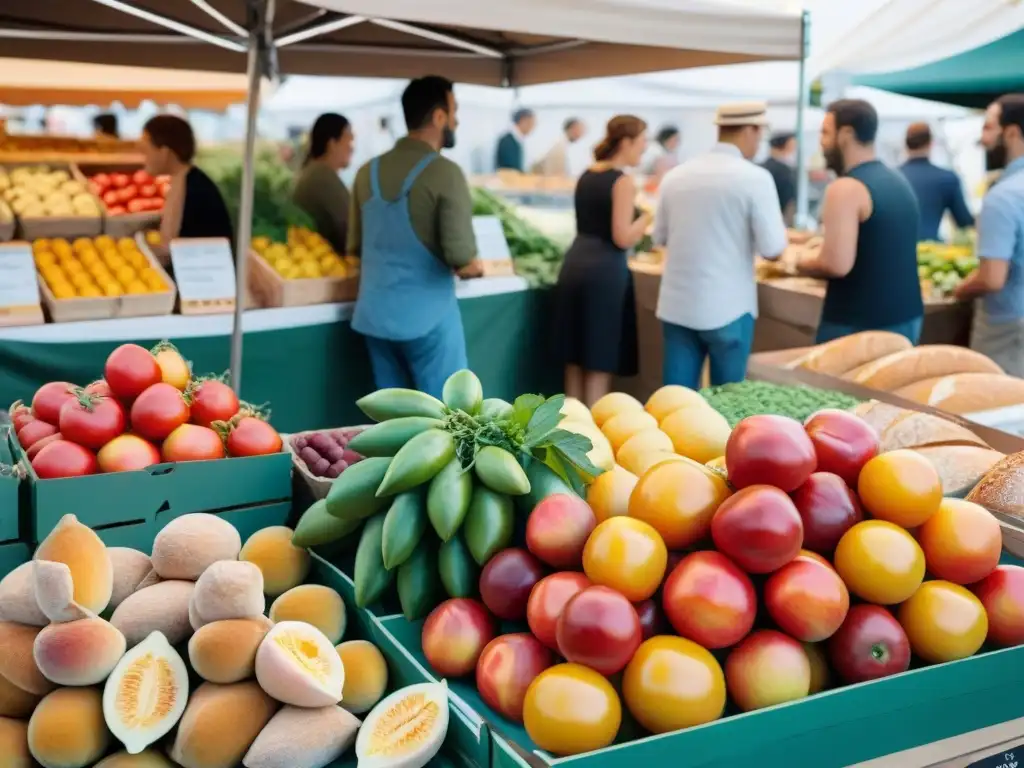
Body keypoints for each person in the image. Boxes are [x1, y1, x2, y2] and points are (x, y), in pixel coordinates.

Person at [347, 76, 483, 397]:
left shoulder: (367, 172)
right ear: (438, 117)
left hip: (375, 318)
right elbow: (462, 258)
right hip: (428, 320)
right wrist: (476, 266)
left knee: (391, 425)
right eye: (454, 112)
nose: (456, 121)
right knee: (449, 418)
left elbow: (353, 246)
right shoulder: (444, 172)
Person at [652, 102, 787, 390]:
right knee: (726, 406)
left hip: (678, 305)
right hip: (730, 307)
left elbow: (659, 237)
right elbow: (773, 248)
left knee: (674, 404)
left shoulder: (676, 176)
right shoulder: (756, 179)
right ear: (751, 130)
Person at [796, 99, 923, 344]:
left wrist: (798, 261)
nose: (821, 142)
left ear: (846, 134)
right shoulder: (898, 181)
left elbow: (836, 264)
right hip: (906, 318)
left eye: (825, 132)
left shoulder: (845, 188)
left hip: (858, 325)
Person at [554, 116, 649, 404]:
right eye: (642, 143)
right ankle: (593, 431)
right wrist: (647, 216)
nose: (644, 151)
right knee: (599, 354)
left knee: (575, 354)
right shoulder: (622, 181)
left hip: (574, 264)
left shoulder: (586, 174)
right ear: (626, 142)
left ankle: (571, 424)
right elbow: (622, 236)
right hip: (604, 271)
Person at [955, 94, 1024, 376]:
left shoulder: (1003, 196)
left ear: (1011, 132)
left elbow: (992, 278)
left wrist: (959, 291)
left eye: (988, 127)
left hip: (1007, 328)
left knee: (995, 416)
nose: (983, 139)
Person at [139, 114, 234, 259]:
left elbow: (169, 250)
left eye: (146, 150)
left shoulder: (193, 187)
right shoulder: (187, 179)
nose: (143, 157)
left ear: (164, 152)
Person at [898, 122, 974, 242]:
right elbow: (964, 221)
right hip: (931, 251)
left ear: (906, 144)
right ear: (931, 144)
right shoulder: (947, 178)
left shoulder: (893, 178)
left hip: (898, 250)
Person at [292, 113, 355, 254]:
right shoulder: (321, 177)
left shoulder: (313, 172)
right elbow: (353, 229)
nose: (352, 148)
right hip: (323, 264)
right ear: (332, 144)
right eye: (349, 141)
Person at [760, 131, 797, 225]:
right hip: (779, 221)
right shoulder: (785, 171)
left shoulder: (760, 167)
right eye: (793, 146)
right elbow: (789, 204)